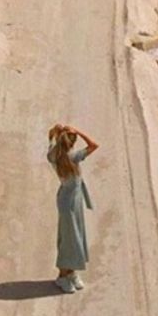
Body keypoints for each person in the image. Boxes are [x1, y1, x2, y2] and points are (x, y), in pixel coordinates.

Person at [46, 123, 99, 293]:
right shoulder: (73, 156)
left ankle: (71, 273)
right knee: (71, 237)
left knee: (73, 236)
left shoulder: (53, 154)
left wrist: (54, 134)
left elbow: (51, 141)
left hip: (70, 199)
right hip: (70, 200)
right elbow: (93, 145)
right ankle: (63, 276)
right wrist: (79, 131)